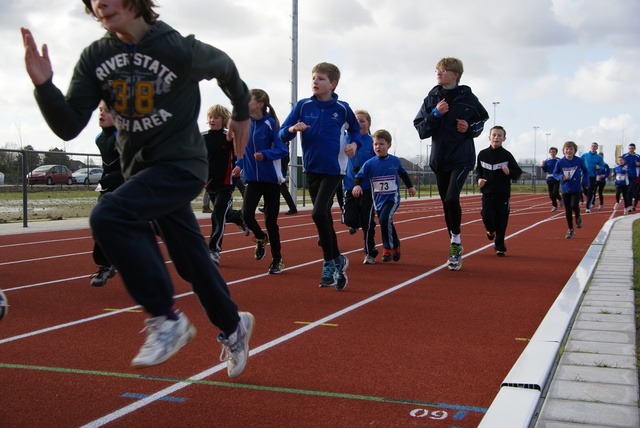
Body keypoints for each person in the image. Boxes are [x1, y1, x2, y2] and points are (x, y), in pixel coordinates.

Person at [21, 0, 254, 377]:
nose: (100, 3)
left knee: (109, 214)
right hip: (140, 173)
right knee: (192, 260)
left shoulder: (177, 47)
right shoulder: (96, 57)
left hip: (181, 164)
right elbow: (67, 126)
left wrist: (241, 113)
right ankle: (233, 325)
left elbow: (225, 66)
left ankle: (166, 318)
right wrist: (44, 86)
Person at [279, 62, 360, 290]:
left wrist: (354, 143)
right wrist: (292, 130)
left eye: (321, 78)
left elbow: (355, 130)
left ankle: (328, 261)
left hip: (334, 168)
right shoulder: (303, 106)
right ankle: (337, 259)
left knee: (317, 212)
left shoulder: (342, 108)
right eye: (313, 77)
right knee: (322, 216)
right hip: (311, 168)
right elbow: (282, 131)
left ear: (333, 84)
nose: (315, 81)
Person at [413, 57, 489, 271]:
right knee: (446, 203)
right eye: (437, 69)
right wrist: (435, 114)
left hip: (462, 158)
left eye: (444, 70)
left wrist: (471, 128)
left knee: (451, 197)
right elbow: (421, 130)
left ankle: (455, 241)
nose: (439, 72)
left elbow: (482, 119)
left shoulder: (468, 98)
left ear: (455, 74)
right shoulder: (431, 98)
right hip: (439, 158)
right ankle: (454, 240)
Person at [234, 89, 288, 274]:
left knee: (271, 221)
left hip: (271, 179)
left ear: (260, 104)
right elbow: (241, 150)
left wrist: (265, 155)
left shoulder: (270, 124)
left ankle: (277, 259)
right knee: (246, 214)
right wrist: (239, 165)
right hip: (252, 179)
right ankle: (260, 237)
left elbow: (283, 150)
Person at [352, 129, 416, 262]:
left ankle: (388, 248)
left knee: (385, 219)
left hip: (392, 198)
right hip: (378, 199)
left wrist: (410, 187)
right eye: (375, 144)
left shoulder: (395, 161)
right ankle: (396, 244)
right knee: (385, 221)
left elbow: (403, 174)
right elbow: (359, 175)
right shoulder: (370, 163)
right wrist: (357, 185)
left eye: (381, 144)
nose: (378, 147)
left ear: (389, 145)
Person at [203, 104, 250, 266]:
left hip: (227, 184)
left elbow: (241, 154)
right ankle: (239, 218)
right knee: (223, 214)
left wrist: (239, 165)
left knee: (217, 215)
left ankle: (214, 250)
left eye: (216, 117)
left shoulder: (229, 138)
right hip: (210, 184)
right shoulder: (203, 139)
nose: (212, 120)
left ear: (223, 120)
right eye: (210, 117)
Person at [89, 100, 125, 287]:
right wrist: (106, 179)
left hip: (129, 189)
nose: (101, 114)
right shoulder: (99, 139)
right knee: (99, 223)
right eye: (100, 110)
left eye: (107, 111)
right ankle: (106, 265)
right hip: (108, 190)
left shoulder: (126, 137)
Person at [476, 126, 522, 257]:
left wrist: (509, 172)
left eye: (499, 135)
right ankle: (490, 230)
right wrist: (479, 179)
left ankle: (500, 245)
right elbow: (478, 171)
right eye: (494, 135)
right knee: (487, 216)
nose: (496, 137)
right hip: (487, 193)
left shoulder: (506, 155)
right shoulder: (482, 154)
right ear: (489, 137)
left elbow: (517, 173)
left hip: (502, 194)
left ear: (504, 139)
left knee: (502, 220)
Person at [343, 110, 378, 264]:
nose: (359, 124)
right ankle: (354, 223)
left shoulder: (372, 143)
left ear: (369, 124)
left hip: (367, 187)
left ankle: (370, 252)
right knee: (349, 219)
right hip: (349, 186)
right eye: (356, 121)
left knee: (367, 221)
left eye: (362, 121)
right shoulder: (345, 139)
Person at [554, 141, 589, 239]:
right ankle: (570, 229)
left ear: (574, 151)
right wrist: (561, 176)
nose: (569, 151)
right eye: (567, 149)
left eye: (571, 149)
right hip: (565, 189)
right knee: (568, 210)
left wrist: (586, 183)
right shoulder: (560, 162)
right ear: (563, 151)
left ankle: (578, 216)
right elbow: (555, 173)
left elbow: (586, 171)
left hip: (576, 188)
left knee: (574, 205)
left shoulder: (578, 160)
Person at [580, 142, 605, 213]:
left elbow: (603, 166)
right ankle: (591, 198)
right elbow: (579, 163)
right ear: (590, 147)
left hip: (593, 176)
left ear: (597, 148)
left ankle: (588, 207)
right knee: (584, 190)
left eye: (595, 146)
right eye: (592, 146)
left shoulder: (599, 157)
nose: (593, 147)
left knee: (590, 192)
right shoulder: (585, 155)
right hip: (584, 176)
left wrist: (599, 167)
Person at [541, 147, 563, 212]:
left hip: (556, 178)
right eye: (551, 152)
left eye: (554, 152)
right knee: (551, 195)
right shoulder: (547, 160)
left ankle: (560, 199)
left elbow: (561, 169)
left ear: (556, 153)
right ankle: (555, 206)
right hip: (549, 178)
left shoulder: (559, 160)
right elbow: (545, 170)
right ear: (549, 153)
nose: (552, 153)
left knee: (555, 192)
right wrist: (542, 166)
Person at [622, 143, 640, 209]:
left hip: (634, 175)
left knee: (631, 191)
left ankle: (629, 205)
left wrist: (639, 164)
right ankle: (628, 204)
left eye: (632, 148)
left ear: (635, 149)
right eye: (630, 148)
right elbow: (620, 162)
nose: (631, 150)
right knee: (626, 191)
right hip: (626, 175)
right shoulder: (625, 156)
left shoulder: (638, 156)